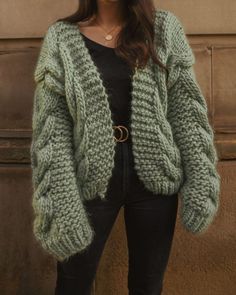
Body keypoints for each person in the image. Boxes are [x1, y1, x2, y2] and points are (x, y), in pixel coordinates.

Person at [30, 0, 221, 294]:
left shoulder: (163, 29)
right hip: (90, 176)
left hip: (155, 176)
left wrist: (201, 179)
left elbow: (185, 110)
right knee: (73, 282)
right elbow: (52, 128)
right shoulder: (62, 37)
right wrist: (61, 199)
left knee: (147, 284)